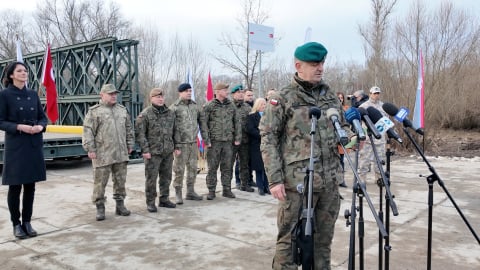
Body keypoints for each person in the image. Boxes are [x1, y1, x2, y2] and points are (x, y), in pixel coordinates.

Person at [260, 42, 350, 269]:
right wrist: (275, 179)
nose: (320, 68)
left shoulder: (329, 95)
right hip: (295, 183)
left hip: (329, 180)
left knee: (323, 241)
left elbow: (342, 127)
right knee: (288, 240)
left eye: (322, 63)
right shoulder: (283, 98)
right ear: (298, 65)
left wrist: (350, 140)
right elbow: (268, 139)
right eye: (314, 64)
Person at [0, 61, 48, 239]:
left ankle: (27, 221)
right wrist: (19, 126)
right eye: (19, 71)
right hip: (17, 145)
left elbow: (43, 118)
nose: (24, 73)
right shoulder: (4, 95)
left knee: (30, 186)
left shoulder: (33, 94)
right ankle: (16, 224)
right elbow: (1, 121)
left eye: (25, 71)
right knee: (15, 187)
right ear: (11, 75)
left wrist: (40, 128)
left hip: (33, 144)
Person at [82, 84, 134, 221]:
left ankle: (120, 205)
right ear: (102, 95)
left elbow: (129, 128)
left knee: (120, 181)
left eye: (115, 93)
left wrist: (130, 144)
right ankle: (100, 206)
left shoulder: (122, 110)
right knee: (100, 182)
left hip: (120, 153)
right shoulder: (94, 112)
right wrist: (90, 149)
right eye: (110, 94)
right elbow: (87, 132)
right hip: (102, 153)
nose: (113, 96)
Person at [135, 88, 177, 212]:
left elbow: (175, 131)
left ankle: (164, 199)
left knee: (166, 177)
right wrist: (145, 150)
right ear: (151, 98)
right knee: (151, 179)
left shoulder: (170, 113)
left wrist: (177, 146)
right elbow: (140, 134)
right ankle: (150, 202)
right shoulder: (145, 114)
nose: (160, 99)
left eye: (162, 97)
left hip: (167, 151)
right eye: (157, 97)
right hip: (153, 153)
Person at [169, 83, 209, 204]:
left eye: (190, 91)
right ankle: (178, 192)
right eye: (186, 91)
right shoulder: (174, 108)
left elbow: (202, 123)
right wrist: (175, 145)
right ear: (180, 93)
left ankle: (190, 191)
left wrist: (206, 140)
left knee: (192, 168)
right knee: (179, 169)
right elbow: (171, 128)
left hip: (193, 143)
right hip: (181, 144)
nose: (189, 93)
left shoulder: (195, 106)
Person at [202, 82, 241, 200]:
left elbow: (237, 122)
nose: (227, 92)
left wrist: (237, 137)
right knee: (212, 167)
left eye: (227, 90)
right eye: (224, 90)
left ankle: (227, 189)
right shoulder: (209, 106)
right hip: (214, 142)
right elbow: (204, 124)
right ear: (217, 92)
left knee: (227, 166)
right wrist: (206, 139)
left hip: (228, 141)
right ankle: (211, 190)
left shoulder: (231, 105)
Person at [357, 86, 387, 184]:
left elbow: (386, 120)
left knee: (380, 161)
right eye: (374, 93)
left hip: (380, 138)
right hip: (368, 139)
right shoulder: (364, 106)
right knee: (364, 161)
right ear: (370, 94)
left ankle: (379, 178)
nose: (376, 95)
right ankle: (362, 179)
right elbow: (359, 121)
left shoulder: (383, 106)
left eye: (378, 93)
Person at [230, 84, 254, 193]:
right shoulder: (229, 106)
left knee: (244, 163)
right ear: (233, 94)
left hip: (245, 140)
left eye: (242, 92)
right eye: (238, 92)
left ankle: (245, 184)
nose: (240, 94)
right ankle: (228, 186)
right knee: (229, 164)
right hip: (231, 140)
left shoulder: (248, 107)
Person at [246, 98, 270, 195]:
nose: (264, 106)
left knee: (266, 168)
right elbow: (250, 129)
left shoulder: (269, 116)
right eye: (262, 104)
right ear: (257, 105)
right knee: (259, 168)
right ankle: (260, 187)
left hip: (267, 145)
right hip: (256, 145)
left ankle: (266, 187)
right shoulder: (252, 116)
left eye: (265, 104)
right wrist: (262, 135)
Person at [337, 91, 350, 188]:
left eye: (341, 98)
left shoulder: (346, 109)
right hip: (332, 138)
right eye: (338, 97)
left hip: (342, 138)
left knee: (341, 160)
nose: (340, 99)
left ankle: (341, 180)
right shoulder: (330, 109)